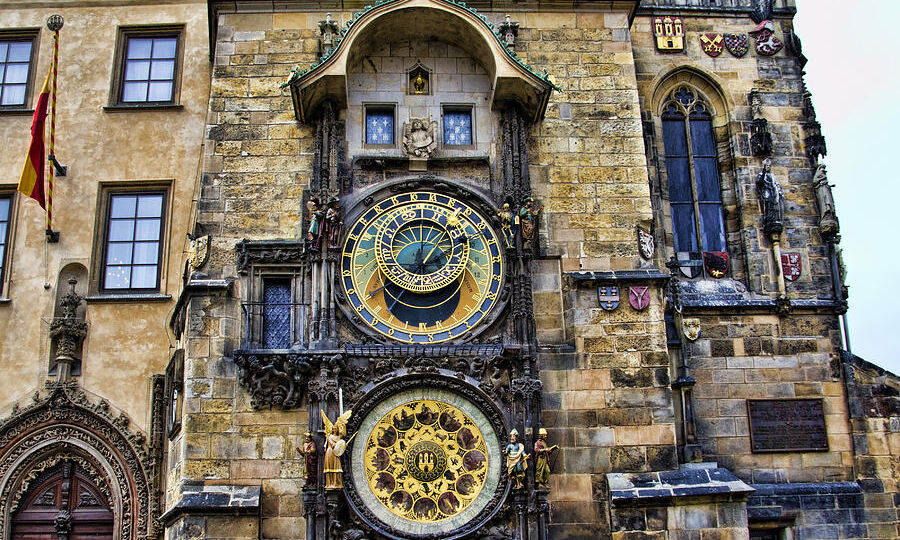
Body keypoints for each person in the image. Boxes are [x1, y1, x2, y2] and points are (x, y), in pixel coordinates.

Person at [322, 409, 352, 490]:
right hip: (330, 452)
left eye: (336, 428)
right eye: (334, 428)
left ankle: (337, 483)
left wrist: (343, 425)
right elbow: (332, 444)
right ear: (332, 429)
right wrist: (335, 445)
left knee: (337, 468)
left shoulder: (339, 436)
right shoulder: (329, 436)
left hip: (336, 453)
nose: (335, 429)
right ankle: (329, 484)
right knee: (329, 467)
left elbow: (344, 434)